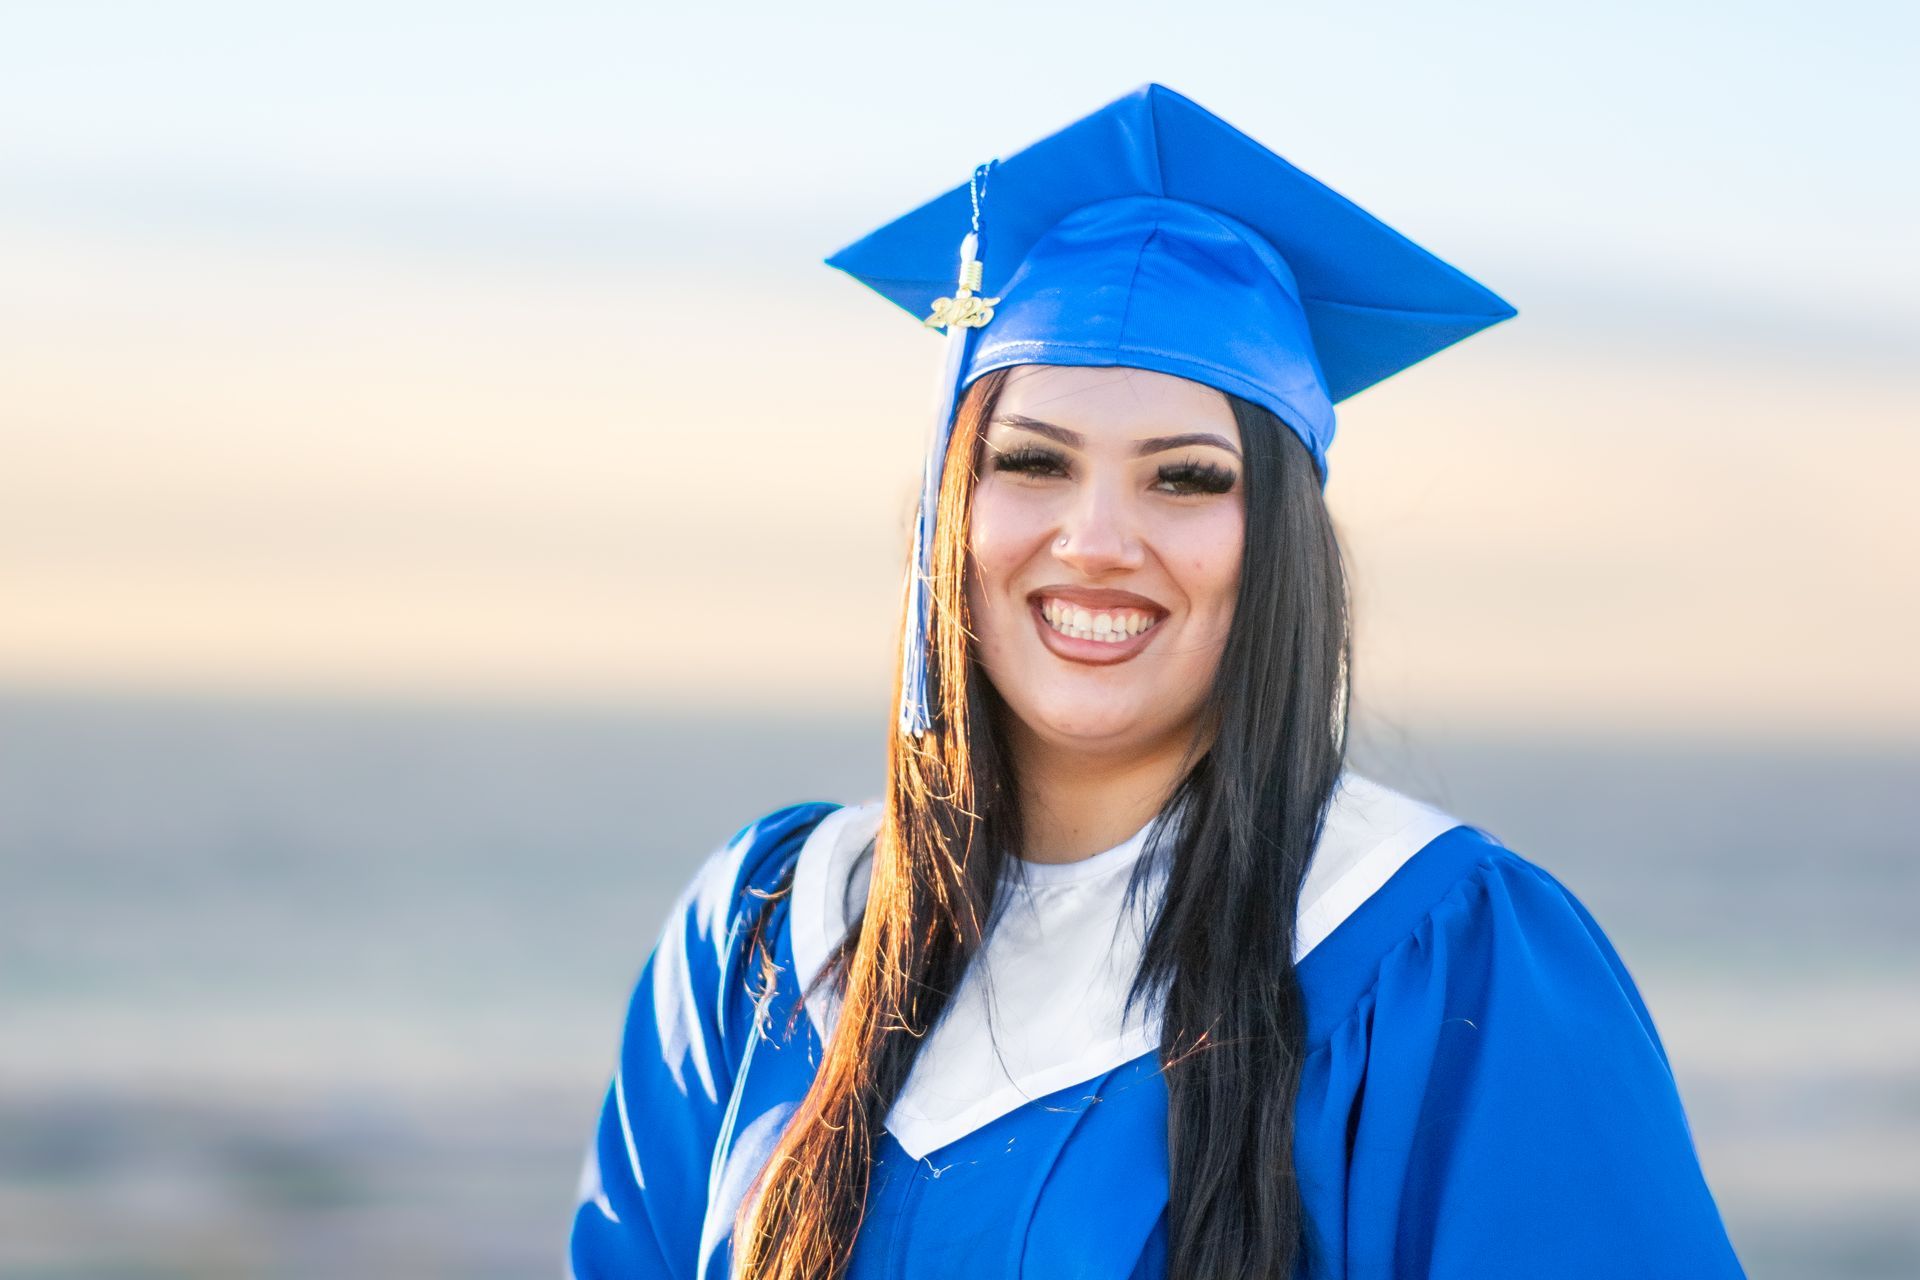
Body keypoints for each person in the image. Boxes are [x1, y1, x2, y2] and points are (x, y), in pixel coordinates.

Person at [566, 84, 1748, 1279]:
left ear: (1278, 541)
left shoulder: (1433, 952)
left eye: (1184, 479)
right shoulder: (769, 932)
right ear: (951, 508)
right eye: (1032, 462)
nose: (1094, 538)